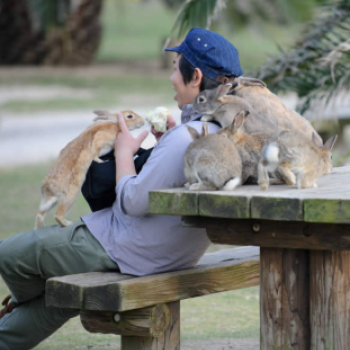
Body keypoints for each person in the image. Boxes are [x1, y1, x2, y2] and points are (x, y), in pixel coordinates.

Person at [0, 27, 244, 349]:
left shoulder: (184, 138)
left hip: (122, 249)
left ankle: (21, 306)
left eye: (175, 69)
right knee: (57, 298)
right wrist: (161, 147)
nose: (171, 78)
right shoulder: (222, 132)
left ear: (195, 76)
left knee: (8, 255)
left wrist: (124, 152)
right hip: (170, 254)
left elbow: (131, 201)